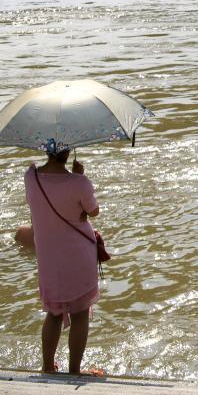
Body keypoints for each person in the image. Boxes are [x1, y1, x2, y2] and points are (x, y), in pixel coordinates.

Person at [25, 149, 102, 375]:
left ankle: (48, 366)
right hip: (78, 255)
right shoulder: (80, 183)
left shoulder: (31, 178)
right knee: (80, 313)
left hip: (48, 258)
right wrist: (79, 176)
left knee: (54, 312)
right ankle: (74, 370)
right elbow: (93, 211)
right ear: (68, 150)